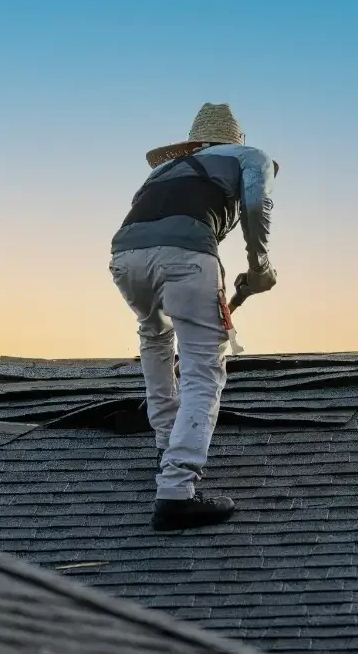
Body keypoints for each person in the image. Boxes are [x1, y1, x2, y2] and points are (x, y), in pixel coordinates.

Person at [109, 103, 278, 531]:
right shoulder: (250, 157)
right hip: (186, 258)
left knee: (154, 339)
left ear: (193, 143)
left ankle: (167, 446)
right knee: (205, 367)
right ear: (234, 140)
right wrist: (259, 269)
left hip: (125, 256)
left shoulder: (162, 174)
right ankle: (177, 490)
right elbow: (258, 207)